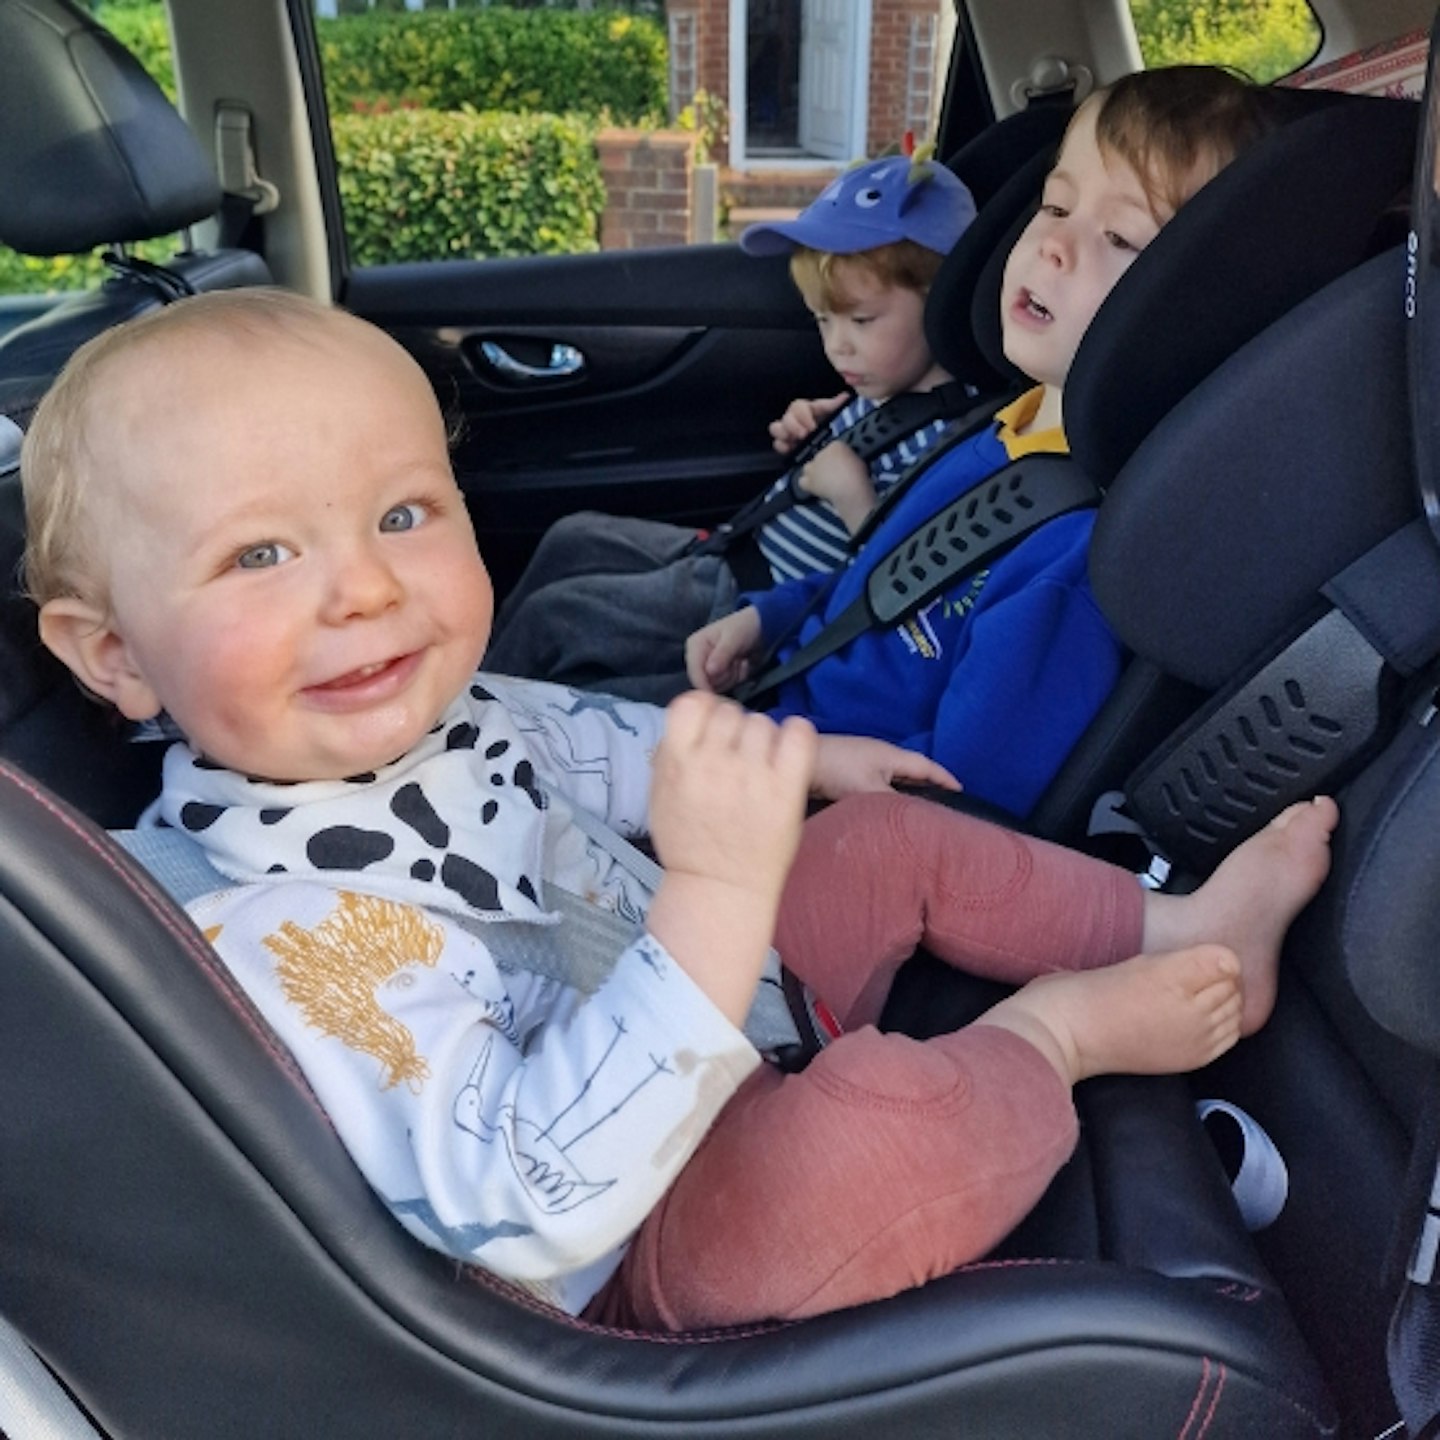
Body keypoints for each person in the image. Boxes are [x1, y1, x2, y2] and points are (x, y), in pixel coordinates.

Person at [24, 287, 1337, 1336]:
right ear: (116, 658)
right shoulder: (288, 938)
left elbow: (601, 744)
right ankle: (1058, 1041)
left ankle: (1176, 930)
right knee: (884, 1134)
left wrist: (804, 761)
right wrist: (712, 898)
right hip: (634, 1237)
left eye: (404, 512)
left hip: (711, 999)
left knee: (879, 840)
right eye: (261, 553)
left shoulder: (436, 710)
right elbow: (530, 1208)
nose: (363, 586)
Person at [686, 66, 1274, 820]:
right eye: (1056, 204)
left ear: (1194, 305)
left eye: (1120, 236)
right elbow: (878, 584)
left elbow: (959, 809)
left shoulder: (1075, 553)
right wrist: (770, 618)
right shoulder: (1007, 422)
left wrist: (794, 780)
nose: (1053, 243)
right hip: (769, 724)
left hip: (800, 822)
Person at [482, 152, 977, 703]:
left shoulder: (956, 442)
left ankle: (471, 733)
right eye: (822, 320)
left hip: (756, 599)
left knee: (556, 619)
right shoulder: (883, 387)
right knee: (573, 535)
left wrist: (852, 494)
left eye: (861, 320)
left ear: (943, 308)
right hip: (732, 549)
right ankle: (487, 682)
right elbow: (849, 446)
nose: (837, 345)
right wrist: (817, 430)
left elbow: (910, 577)